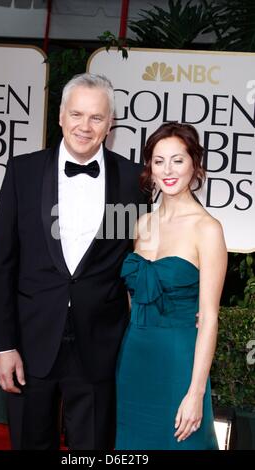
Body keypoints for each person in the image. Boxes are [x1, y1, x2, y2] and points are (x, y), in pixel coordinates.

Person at [0, 73, 147, 450]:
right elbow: (0, 265)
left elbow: (130, 258)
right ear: (60, 116)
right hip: (29, 343)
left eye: (96, 118)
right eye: (76, 114)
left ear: (110, 125)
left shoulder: (131, 181)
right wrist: (4, 345)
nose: (84, 126)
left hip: (100, 348)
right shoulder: (22, 173)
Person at [115, 122, 228, 450]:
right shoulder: (142, 223)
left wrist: (195, 392)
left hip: (179, 363)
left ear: (195, 164)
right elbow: (133, 298)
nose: (168, 170)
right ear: (149, 167)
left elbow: (209, 319)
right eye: (159, 160)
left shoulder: (207, 229)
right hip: (133, 358)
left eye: (178, 160)